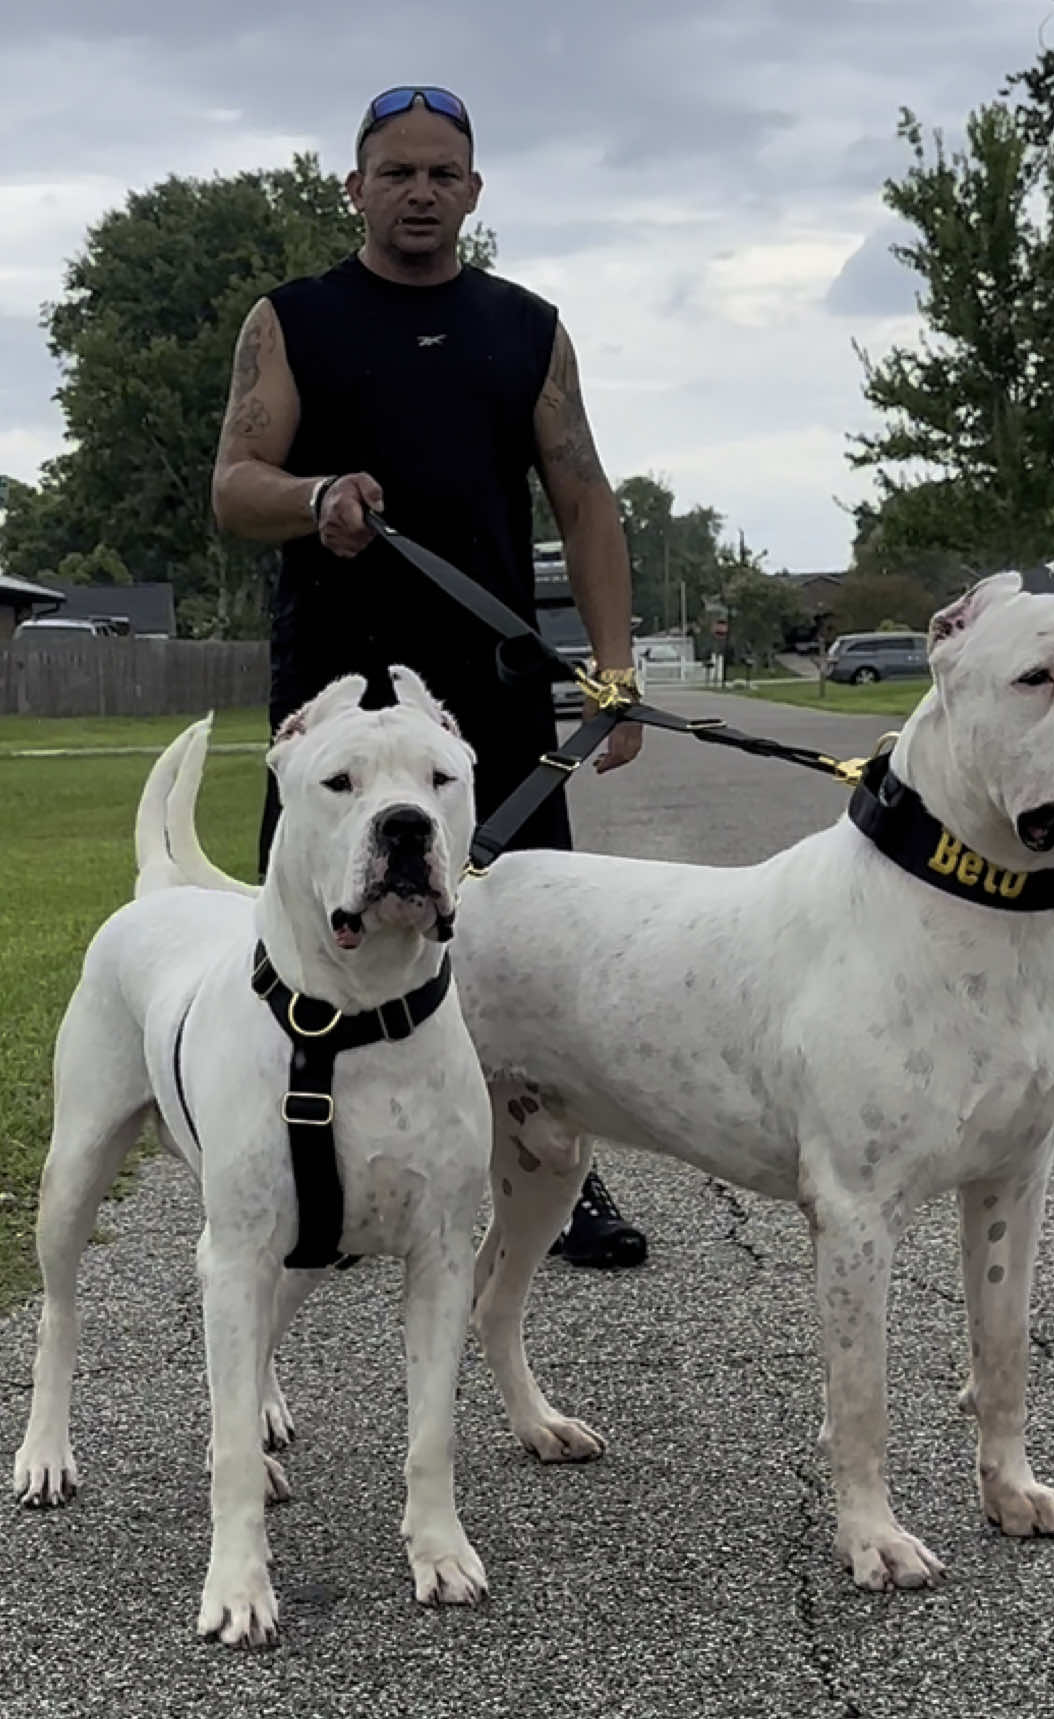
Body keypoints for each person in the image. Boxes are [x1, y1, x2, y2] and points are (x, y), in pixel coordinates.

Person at [210, 84, 647, 1269]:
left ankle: (557, 1179)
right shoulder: (292, 320)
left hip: (493, 689)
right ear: (354, 188)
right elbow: (235, 482)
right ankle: (312, 1164)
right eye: (394, 172)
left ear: (474, 192)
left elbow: (586, 497)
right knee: (321, 934)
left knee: (525, 944)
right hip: (337, 701)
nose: (418, 192)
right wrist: (315, 498)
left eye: (440, 174)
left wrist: (613, 670)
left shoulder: (527, 328)